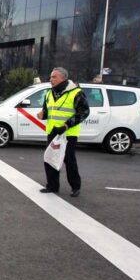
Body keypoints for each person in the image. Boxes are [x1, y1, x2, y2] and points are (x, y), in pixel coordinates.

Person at [36, 67, 90, 198]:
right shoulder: (50, 93)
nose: (51, 80)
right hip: (52, 131)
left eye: (54, 77)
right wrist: (43, 115)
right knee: (50, 159)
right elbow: (48, 110)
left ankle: (75, 187)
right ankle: (52, 186)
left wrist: (66, 125)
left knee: (69, 160)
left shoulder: (76, 93)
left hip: (68, 134)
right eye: (50, 77)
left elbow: (84, 112)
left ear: (63, 78)